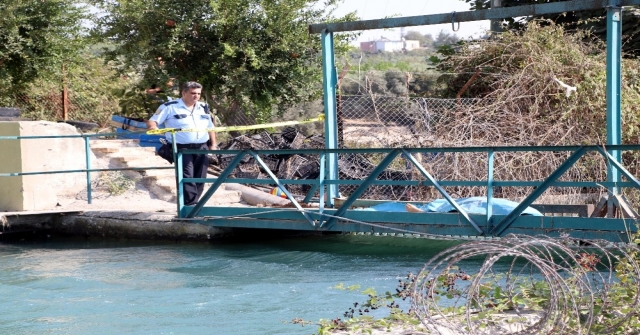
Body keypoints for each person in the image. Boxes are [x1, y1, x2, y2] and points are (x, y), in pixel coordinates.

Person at [146, 81, 217, 206]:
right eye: (193, 93)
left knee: (201, 177)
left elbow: (210, 127)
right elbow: (152, 121)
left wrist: (213, 144)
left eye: (198, 94)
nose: (196, 96)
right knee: (187, 177)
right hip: (182, 148)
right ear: (184, 93)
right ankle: (190, 207)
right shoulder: (170, 106)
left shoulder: (203, 107)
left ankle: (195, 204)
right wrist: (154, 129)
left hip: (201, 147)